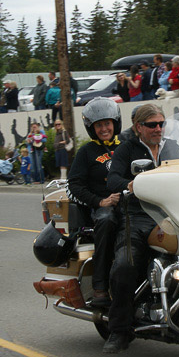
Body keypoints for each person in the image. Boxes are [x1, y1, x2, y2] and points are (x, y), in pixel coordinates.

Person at [104, 104, 179, 353]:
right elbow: (112, 180)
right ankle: (119, 330)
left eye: (161, 124)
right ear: (139, 127)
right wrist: (132, 184)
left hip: (173, 212)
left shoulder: (172, 147)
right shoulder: (126, 149)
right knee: (126, 263)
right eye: (152, 125)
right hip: (137, 214)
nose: (158, 129)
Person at [67, 98, 122, 308]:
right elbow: (74, 185)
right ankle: (99, 287)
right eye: (99, 125)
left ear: (115, 123)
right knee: (107, 221)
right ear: (92, 128)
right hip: (102, 210)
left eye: (107, 123)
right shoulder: (86, 152)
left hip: (129, 205)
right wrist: (100, 202)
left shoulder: (126, 146)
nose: (104, 128)